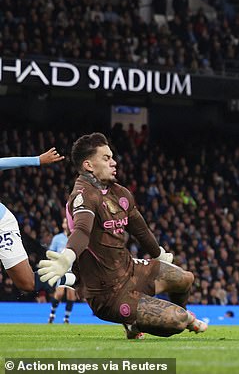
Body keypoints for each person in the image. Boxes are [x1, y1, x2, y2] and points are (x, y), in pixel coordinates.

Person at [38, 133, 207, 339]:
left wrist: (159, 255)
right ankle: (152, 318)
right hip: (107, 294)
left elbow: (141, 231)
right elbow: (81, 231)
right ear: (89, 165)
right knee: (178, 320)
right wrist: (67, 257)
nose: (114, 162)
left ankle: (140, 321)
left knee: (186, 278)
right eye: (106, 158)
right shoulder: (83, 196)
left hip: (130, 270)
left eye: (112, 157)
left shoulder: (120, 193)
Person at [0, 148, 73, 294]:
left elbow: (3, 162)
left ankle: (69, 278)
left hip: (2, 225)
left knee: (27, 283)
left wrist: (38, 160)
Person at [48, 218, 77, 324]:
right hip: (61, 269)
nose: (67, 224)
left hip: (73, 269)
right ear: (63, 224)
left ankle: (66, 318)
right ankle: (52, 315)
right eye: (65, 222)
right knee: (59, 293)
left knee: (71, 294)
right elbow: (51, 252)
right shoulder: (57, 238)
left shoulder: (76, 238)